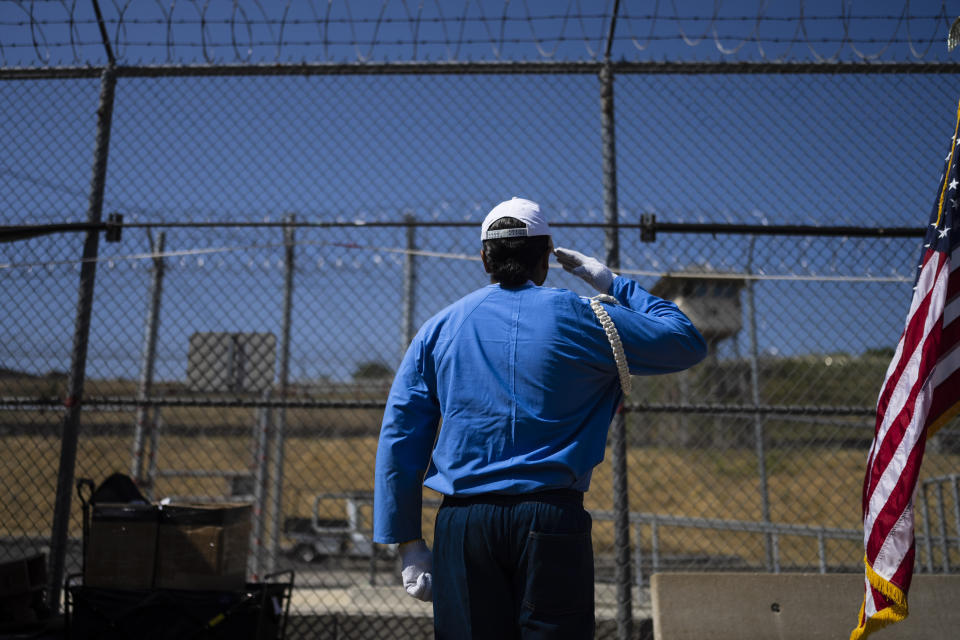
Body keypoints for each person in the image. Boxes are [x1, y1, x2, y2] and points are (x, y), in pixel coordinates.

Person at [373, 197, 707, 639]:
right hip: (551, 518)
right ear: (547, 254)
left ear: (484, 258)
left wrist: (408, 541)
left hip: (464, 525)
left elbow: (401, 435)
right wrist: (607, 279)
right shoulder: (589, 318)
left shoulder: (441, 328)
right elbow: (684, 339)